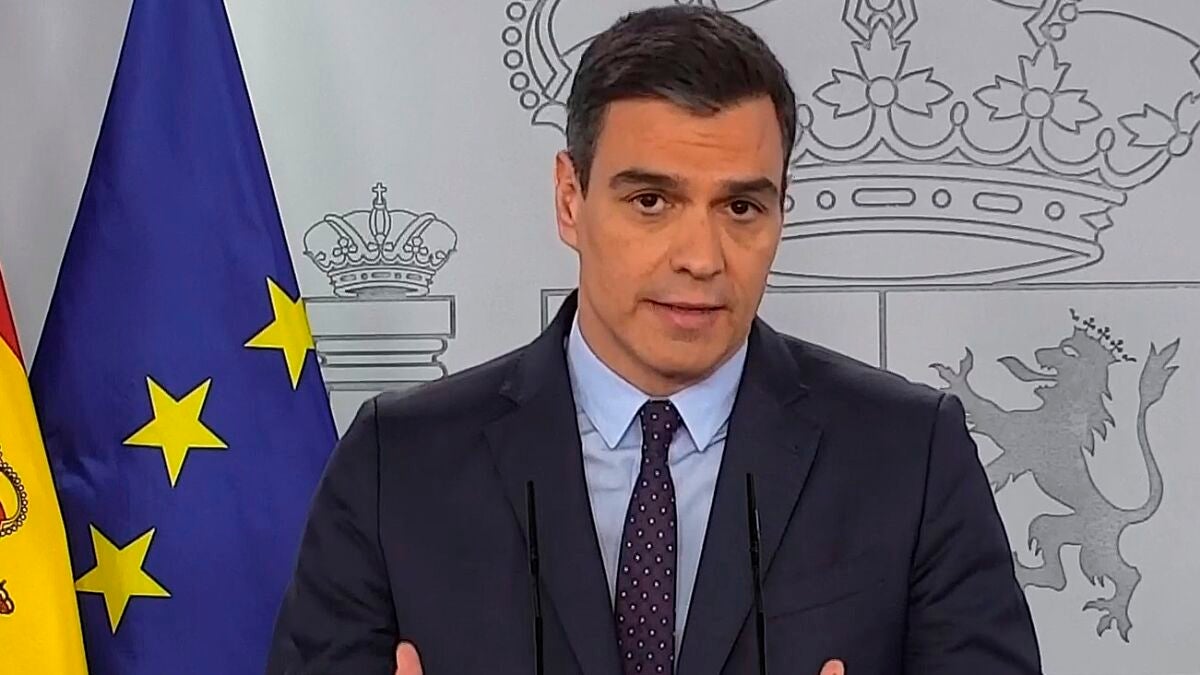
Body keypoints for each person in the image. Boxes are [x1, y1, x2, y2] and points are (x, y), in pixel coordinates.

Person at [266, 6, 1042, 674]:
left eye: (741, 208)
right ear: (570, 199)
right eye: (650, 200)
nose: (700, 257)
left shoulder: (910, 457)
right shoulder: (397, 465)